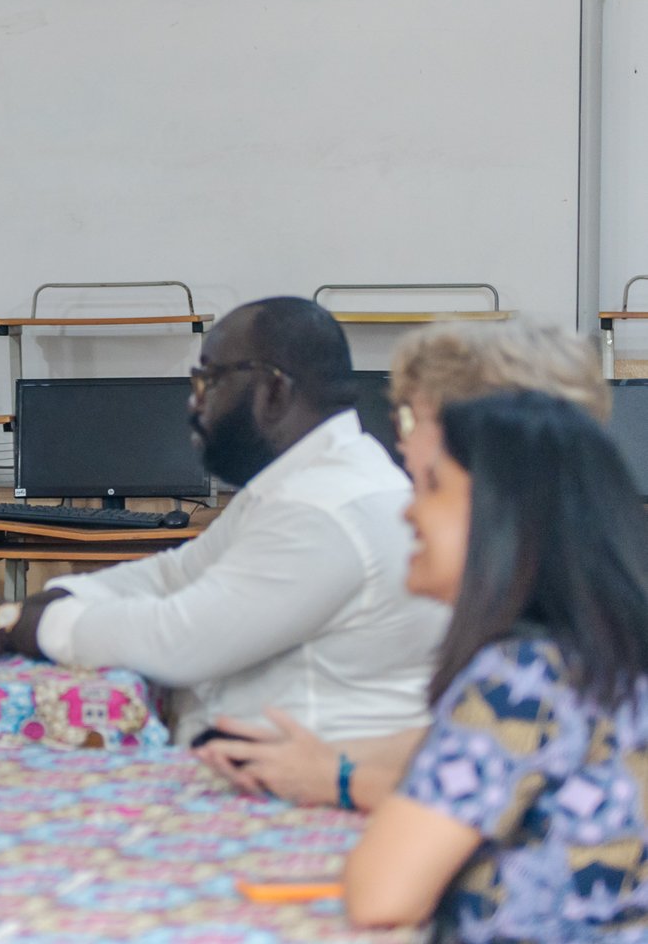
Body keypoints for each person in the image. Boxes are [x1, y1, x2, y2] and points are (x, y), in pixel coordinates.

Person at [0, 296, 447, 746]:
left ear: (273, 392)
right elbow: (174, 573)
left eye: (208, 380)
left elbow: (177, 641)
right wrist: (45, 603)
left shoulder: (325, 507)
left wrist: (12, 623)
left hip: (299, 799)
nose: (194, 403)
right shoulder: (306, 480)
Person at [195, 321, 610, 811]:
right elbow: (476, 739)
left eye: (413, 420)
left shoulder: (540, 650)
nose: (401, 444)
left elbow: (489, 777)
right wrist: (319, 757)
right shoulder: (570, 593)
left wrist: (341, 778)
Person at [343, 391, 648, 938]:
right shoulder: (605, 660)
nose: (409, 510)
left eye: (432, 486)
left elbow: (381, 895)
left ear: (507, 512)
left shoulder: (523, 680)